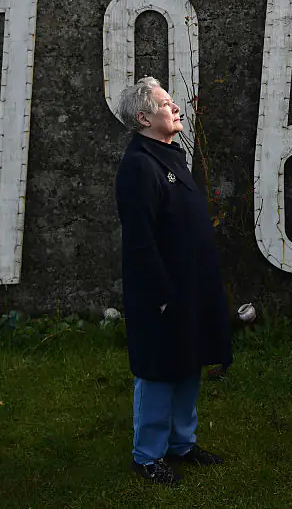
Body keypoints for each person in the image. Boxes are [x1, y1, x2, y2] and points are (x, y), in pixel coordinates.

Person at [114, 76, 232, 486]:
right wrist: (159, 295)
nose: (175, 108)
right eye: (166, 103)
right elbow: (140, 240)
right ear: (145, 117)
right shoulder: (137, 166)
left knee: (187, 362)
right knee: (158, 370)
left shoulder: (170, 156)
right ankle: (147, 456)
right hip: (161, 291)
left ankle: (182, 443)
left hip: (191, 285)